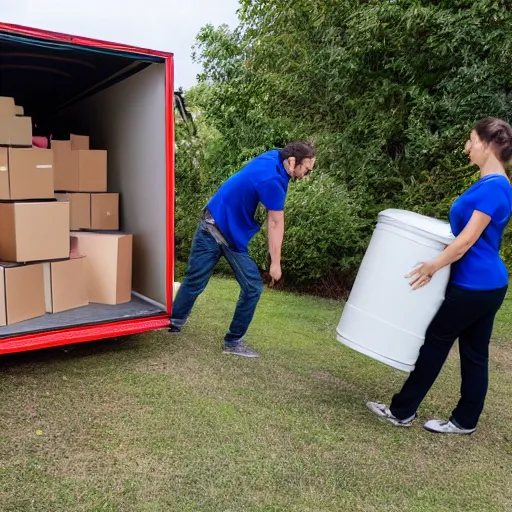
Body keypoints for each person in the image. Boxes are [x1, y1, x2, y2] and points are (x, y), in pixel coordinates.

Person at [367, 117, 512, 435]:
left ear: (488, 145)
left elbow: (466, 241)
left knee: (436, 343)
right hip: (487, 284)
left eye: (472, 140)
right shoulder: (491, 183)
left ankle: (401, 411)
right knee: (474, 353)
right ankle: (465, 421)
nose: (466, 147)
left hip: (474, 285)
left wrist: (432, 266)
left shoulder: (496, 188)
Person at [169, 141, 317, 358]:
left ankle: (185, 326)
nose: (305, 175)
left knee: (201, 281)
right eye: (306, 169)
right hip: (218, 229)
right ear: (293, 162)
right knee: (247, 287)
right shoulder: (273, 180)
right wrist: (275, 264)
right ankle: (222, 339)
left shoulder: (274, 156)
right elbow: (275, 223)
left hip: (219, 226)